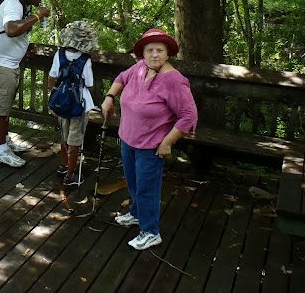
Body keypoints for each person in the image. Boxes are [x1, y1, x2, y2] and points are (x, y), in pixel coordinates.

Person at [101, 28, 197, 250]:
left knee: (147, 189)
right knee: (133, 183)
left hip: (151, 146)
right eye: (150, 50)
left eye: (160, 50)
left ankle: (151, 231)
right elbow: (120, 78)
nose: (155, 54)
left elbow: (189, 116)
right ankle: (136, 214)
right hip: (128, 139)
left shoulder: (174, 80)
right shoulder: (139, 68)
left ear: (168, 53)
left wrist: (167, 142)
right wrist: (109, 97)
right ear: (142, 53)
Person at [0, 0, 51, 167]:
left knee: (3, 106)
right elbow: (11, 29)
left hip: (7, 63)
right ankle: (1, 150)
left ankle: (5, 141)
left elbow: (13, 34)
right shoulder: (13, 3)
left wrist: (25, 47)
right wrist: (38, 15)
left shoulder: (25, 6)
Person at [47, 21, 97, 187]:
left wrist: (55, 94)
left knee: (64, 136)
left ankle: (63, 166)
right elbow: (88, 83)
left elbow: (52, 77)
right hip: (80, 106)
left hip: (62, 102)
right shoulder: (85, 60)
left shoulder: (59, 54)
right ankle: (70, 175)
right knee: (75, 141)